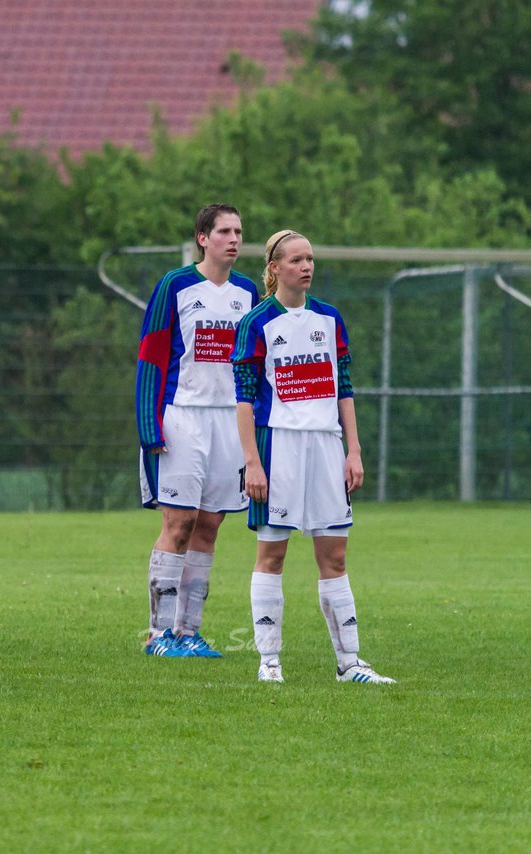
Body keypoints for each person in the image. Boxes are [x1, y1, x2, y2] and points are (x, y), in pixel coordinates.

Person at [232, 229, 394, 684]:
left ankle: (349, 664)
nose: (307, 266)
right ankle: (269, 662)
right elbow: (243, 399)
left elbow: (344, 387)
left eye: (310, 259)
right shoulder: (258, 322)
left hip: (326, 447)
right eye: (297, 260)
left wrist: (353, 450)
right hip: (277, 446)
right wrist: (252, 461)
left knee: (335, 556)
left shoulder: (329, 319)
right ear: (274, 268)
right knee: (272, 555)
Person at [134, 203, 259, 657]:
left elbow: (252, 369)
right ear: (203, 238)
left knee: (210, 524)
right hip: (181, 415)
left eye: (238, 231)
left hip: (228, 420)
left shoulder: (248, 293)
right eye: (224, 230)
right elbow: (151, 354)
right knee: (180, 521)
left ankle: (189, 631)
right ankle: (158, 633)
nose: (233, 238)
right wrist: (149, 424)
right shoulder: (176, 285)